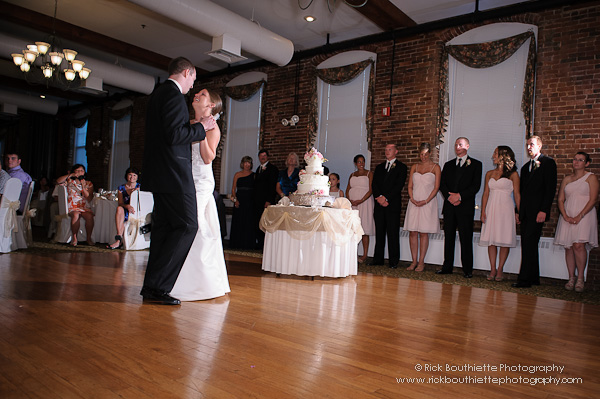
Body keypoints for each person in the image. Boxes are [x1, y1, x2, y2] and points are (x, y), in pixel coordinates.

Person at [140, 57, 216, 305]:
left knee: (163, 230)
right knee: (187, 226)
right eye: (194, 78)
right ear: (188, 72)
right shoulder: (172, 96)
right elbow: (175, 136)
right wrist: (202, 127)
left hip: (162, 175)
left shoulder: (159, 94)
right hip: (173, 175)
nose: (193, 85)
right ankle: (159, 287)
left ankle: (152, 287)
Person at [170, 88, 230, 301]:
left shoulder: (212, 127)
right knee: (183, 223)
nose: (197, 94)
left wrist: (201, 132)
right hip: (183, 179)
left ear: (211, 104)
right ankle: (178, 276)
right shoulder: (185, 123)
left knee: (195, 224)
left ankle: (200, 282)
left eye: (202, 94)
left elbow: (208, 158)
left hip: (201, 181)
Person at [513, 135, 557, 288]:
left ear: (539, 146)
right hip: (525, 212)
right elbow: (522, 192)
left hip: (538, 212)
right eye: (527, 145)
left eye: (531, 144)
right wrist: (517, 211)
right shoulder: (526, 168)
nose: (528, 147)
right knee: (528, 244)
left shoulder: (548, 163)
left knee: (530, 243)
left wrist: (544, 210)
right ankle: (533, 278)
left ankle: (524, 279)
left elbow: (550, 189)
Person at [437, 137, 482, 278]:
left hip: (465, 207)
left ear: (467, 146)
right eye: (456, 144)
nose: (457, 147)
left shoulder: (476, 164)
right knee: (448, 237)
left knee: (466, 238)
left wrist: (460, 196)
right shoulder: (448, 164)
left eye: (460, 144)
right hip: (450, 207)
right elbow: (442, 184)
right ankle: (447, 266)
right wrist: (450, 197)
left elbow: (475, 186)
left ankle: (467, 269)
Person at [554, 152, 598, 292]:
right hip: (568, 214)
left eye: (580, 160)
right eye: (575, 159)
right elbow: (561, 199)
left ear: (587, 163)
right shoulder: (567, 179)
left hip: (584, 215)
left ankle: (580, 278)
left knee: (579, 245)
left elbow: (593, 199)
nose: (576, 162)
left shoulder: (591, 178)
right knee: (569, 246)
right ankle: (571, 277)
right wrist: (565, 215)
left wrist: (580, 215)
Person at [479, 146, 521, 282]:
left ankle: (500, 269)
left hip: (506, 209)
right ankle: (492, 269)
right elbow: (485, 193)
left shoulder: (513, 175)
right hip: (491, 208)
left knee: (504, 240)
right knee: (491, 239)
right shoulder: (489, 174)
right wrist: (483, 211)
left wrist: (519, 212)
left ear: (503, 155)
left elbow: (517, 195)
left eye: (495, 153)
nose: (493, 156)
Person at [403, 143, 441, 272]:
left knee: (424, 232)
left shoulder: (436, 167)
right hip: (414, 202)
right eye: (421, 154)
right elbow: (410, 186)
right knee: (413, 232)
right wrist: (412, 198)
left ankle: (421, 262)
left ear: (430, 154)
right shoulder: (415, 166)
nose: (423, 157)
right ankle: (413, 261)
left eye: (425, 154)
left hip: (428, 202)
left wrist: (425, 201)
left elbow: (436, 188)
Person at [371, 144, 408, 268]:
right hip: (379, 204)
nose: (387, 151)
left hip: (392, 205)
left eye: (390, 149)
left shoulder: (402, 167)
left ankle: (393, 261)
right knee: (379, 233)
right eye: (386, 149)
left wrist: (386, 198)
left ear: (396, 151)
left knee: (392, 233)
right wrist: (379, 198)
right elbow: (374, 184)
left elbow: (399, 185)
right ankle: (378, 259)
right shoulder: (379, 167)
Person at [56, 164, 95, 246]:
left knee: (89, 216)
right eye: (77, 170)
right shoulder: (69, 181)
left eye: (82, 171)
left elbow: (89, 198)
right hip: (72, 205)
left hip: (84, 205)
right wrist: (70, 175)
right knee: (76, 215)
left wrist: (83, 187)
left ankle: (88, 238)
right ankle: (74, 238)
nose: (80, 172)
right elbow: (58, 181)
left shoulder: (89, 183)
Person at [346, 155, 375, 263]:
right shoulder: (352, 175)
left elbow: (371, 189)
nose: (361, 164)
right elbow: (348, 188)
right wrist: (350, 200)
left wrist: (361, 200)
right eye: (359, 162)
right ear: (355, 163)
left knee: (364, 228)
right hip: (353, 204)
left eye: (363, 161)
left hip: (365, 203)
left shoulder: (369, 173)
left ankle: (365, 254)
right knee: (353, 229)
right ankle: (353, 253)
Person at [107, 168, 141, 249]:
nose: (132, 177)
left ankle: (119, 241)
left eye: (134, 175)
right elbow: (121, 203)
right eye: (130, 175)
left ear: (137, 177)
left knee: (122, 212)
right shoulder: (121, 188)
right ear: (126, 176)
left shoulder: (140, 187)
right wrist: (127, 206)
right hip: (125, 209)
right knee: (119, 208)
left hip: (136, 210)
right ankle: (119, 238)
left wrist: (136, 192)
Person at [229, 155, 256, 249]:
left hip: (250, 201)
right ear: (242, 164)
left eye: (249, 163)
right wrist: (235, 200)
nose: (247, 165)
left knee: (248, 222)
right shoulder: (237, 174)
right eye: (245, 162)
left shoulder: (254, 175)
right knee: (238, 221)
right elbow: (233, 189)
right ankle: (237, 244)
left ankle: (248, 244)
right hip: (239, 200)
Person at [254, 149, 278, 248]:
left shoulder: (273, 169)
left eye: (264, 156)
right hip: (257, 201)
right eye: (261, 156)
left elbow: (272, 186)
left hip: (266, 201)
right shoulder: (258, 169)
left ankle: (266, 245)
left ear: (267, 157)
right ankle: (259, 244)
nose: (263, 157)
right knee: (258, 222)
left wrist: (269, 200)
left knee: (265, 222)